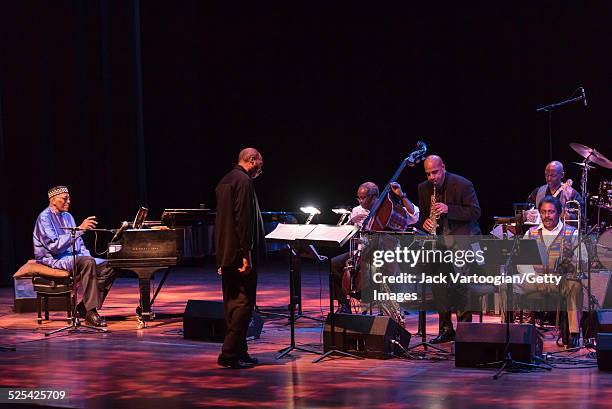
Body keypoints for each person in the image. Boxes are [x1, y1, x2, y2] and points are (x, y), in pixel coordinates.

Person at [417, 155, 482, 343]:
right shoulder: (423, 188)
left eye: (435, 172)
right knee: (438, 284)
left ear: (443, 167)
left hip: (463, 240)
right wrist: (425, 222)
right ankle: (446, 329)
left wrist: (448, 209)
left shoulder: (463, 184)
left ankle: (465, 330)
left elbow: (475, 212)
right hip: (439, 242)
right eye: (428, 174)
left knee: (461, 284)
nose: (432, 177)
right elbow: (422, 215)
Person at [331, 181, 419, 313]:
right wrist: (351, 223)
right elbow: (347, 235)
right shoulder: (356, 211)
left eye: (363, 198)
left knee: (387, 264)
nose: (360, 201)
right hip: (363, 252)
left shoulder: (389, 208)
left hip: (387, 252)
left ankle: (393, 305)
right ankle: (344, 304)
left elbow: (414, 216)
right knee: (335, 263)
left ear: (374, 197)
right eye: (358, 198)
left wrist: (401, 196)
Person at [33, 186, 115, 327]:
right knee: (88, 262)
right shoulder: (44, 218)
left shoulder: (68, 216)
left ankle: (83, 307)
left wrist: (86, 254)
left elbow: (80, 244)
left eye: (69, 198)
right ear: (53, 200)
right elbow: (55, 246)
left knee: (112, 265)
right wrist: (81, 230)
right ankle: (91, 311)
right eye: (65, 199)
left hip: (74, 257)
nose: (68, 201)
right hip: (55, 259)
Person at [215, 148, 266, 369]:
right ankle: (228, 355)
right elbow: (242, 221)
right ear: (252, 160)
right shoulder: (243, 182)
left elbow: (222, 224)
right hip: (238, 254)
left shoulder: (226, 180)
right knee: (243, 304)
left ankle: (240, 351)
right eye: (260, 163)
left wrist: (221, 259)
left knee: (232, 304)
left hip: (226, 253)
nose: (261, 168)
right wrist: (246, 255)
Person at [512, 196, 584, 347]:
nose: (547, 216)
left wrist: (572, 262)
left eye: (551, 212)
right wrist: (533, 277)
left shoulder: (572, 233)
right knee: (511, 283)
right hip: (536, 281)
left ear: (559, 213)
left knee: (575, 286)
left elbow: (583, 261)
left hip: (560, 281)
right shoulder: (531, 233)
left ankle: (573, 334)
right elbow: (523, 263)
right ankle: (517, 333)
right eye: (543, 212)